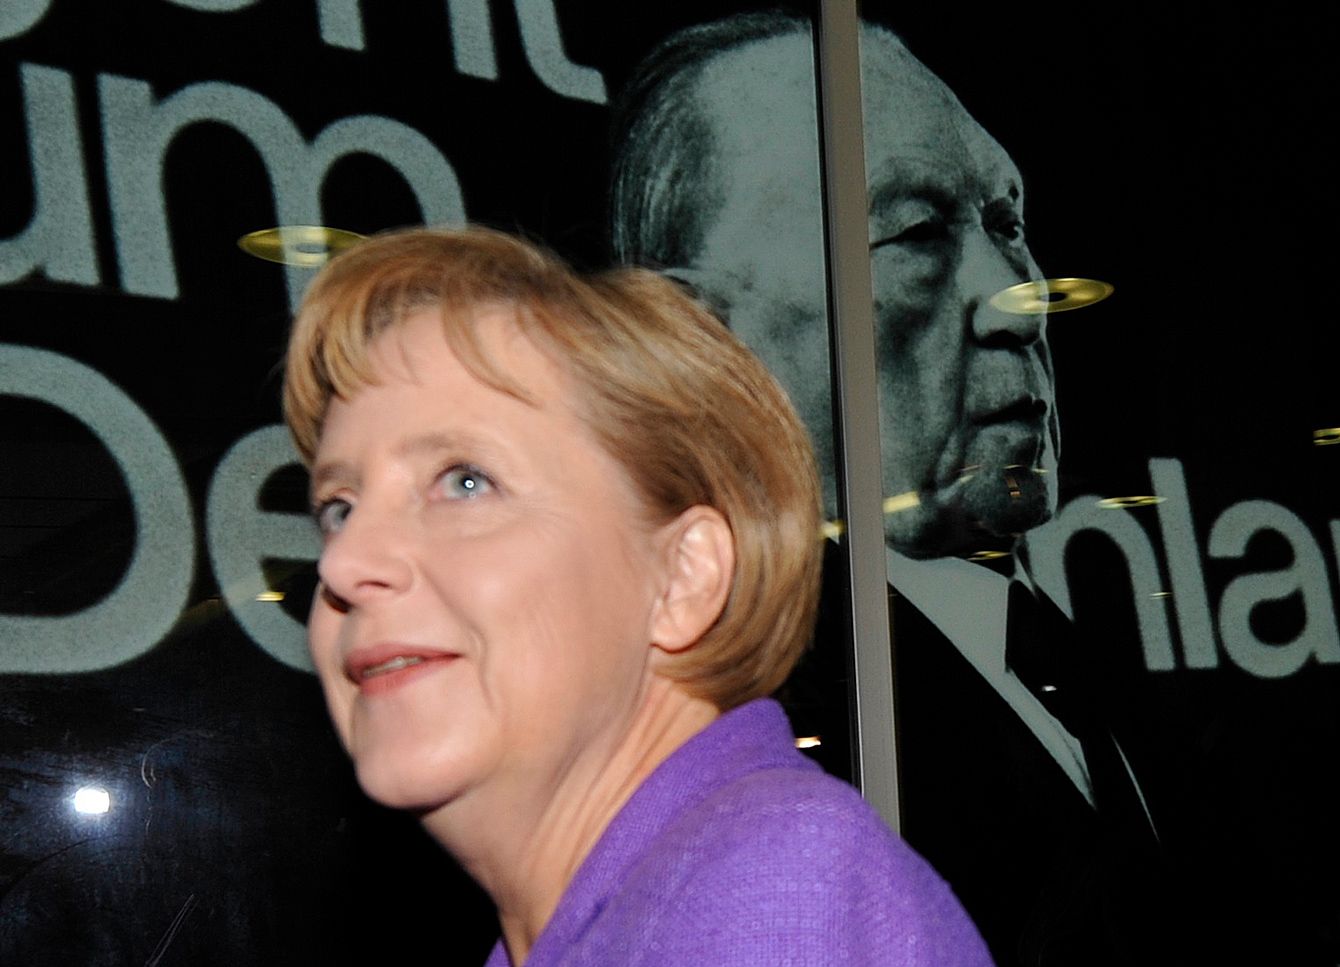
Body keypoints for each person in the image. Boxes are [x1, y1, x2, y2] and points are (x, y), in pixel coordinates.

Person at [608, 15, 1178, 965]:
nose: (1020, 296)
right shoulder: (724, 747)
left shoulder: (1095, 670)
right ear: (697, 335)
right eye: (914, 233)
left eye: (1007, 223)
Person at [282, 226, 993, 965]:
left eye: (465, 481)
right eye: (339, 509)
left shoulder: (769, 888)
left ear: (683, 577)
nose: (344, 562)